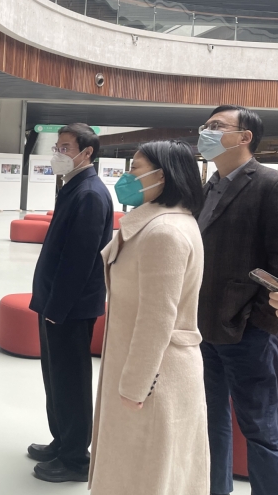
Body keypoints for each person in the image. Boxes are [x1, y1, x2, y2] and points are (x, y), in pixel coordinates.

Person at [89, 140, 209, 495]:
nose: (128, 176)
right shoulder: (157, 224)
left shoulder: (164, 233)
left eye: (136, 168)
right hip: (144, 367)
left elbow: (157, 319)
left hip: (155, 377)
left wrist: (135, 385)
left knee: (145, 475)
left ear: (163, 175)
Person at [195, 105, 278, 495]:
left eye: (216, 126)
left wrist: (256, 318)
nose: (206, 132)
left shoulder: (269, 184)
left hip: (248, 332)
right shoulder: (208, 187)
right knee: (210, 420)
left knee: (260, 426)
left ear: (245, 137)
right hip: (203, 326)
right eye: (205, 125)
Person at [28, 123, 114, 483]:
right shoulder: (74, 186)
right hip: (55, 303)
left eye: (65, 148)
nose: (58, 154)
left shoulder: (90, 194)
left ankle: (76, 458)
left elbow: (80, 260)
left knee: (72, 381)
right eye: (57, 147)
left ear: (87, 152)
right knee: (56, 377)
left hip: (69, 309)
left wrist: (57, 309)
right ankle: (61, 440)